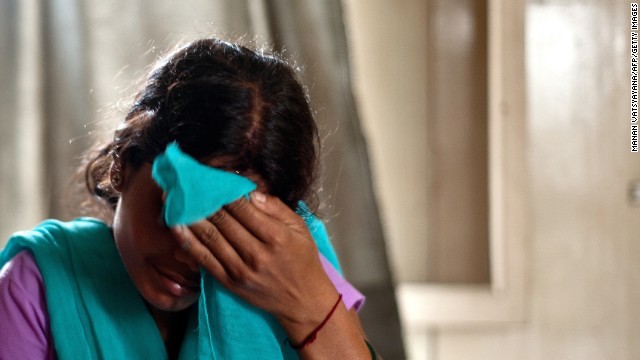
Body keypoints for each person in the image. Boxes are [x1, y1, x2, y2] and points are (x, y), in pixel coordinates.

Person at [0, 38, 377, 359]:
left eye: (230, 226)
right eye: (172, 211)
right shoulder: (39, 288)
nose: (190, 255)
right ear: (122, 165)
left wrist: (308, 304)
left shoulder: (289, 274)